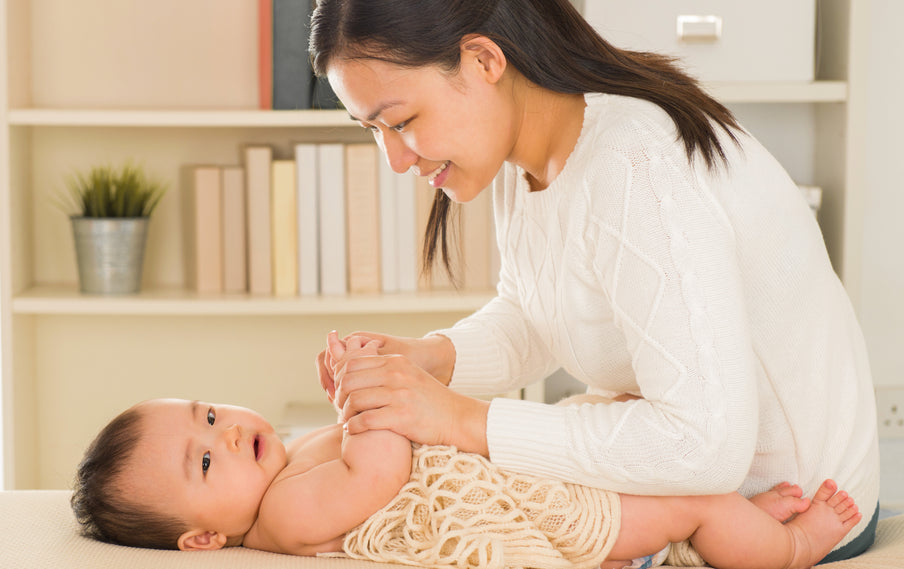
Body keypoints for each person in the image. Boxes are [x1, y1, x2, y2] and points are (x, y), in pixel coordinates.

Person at [308, 0, 881, 563]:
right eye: (373, 130)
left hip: (788, 514)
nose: (395, 160)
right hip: (699, 496)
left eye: (401, 121)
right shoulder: (526, 152)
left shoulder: (633, 163)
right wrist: (430, 358)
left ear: (483, 61)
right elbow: (537, 315)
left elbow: (704, 446)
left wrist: (460, 420)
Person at [72, 334, 861, 569]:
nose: (221, 432)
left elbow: (376, 436)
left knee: (622, 434)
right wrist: (365, 399)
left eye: (207, 413)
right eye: (204, 461)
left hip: (515, 473)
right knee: (685, 498)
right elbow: (378, 472)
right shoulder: (280, 516)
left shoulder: (283, 463)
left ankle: (732, 525)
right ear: (204, 537)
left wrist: (371, 378)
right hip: (537, 511)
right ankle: (786, 544)